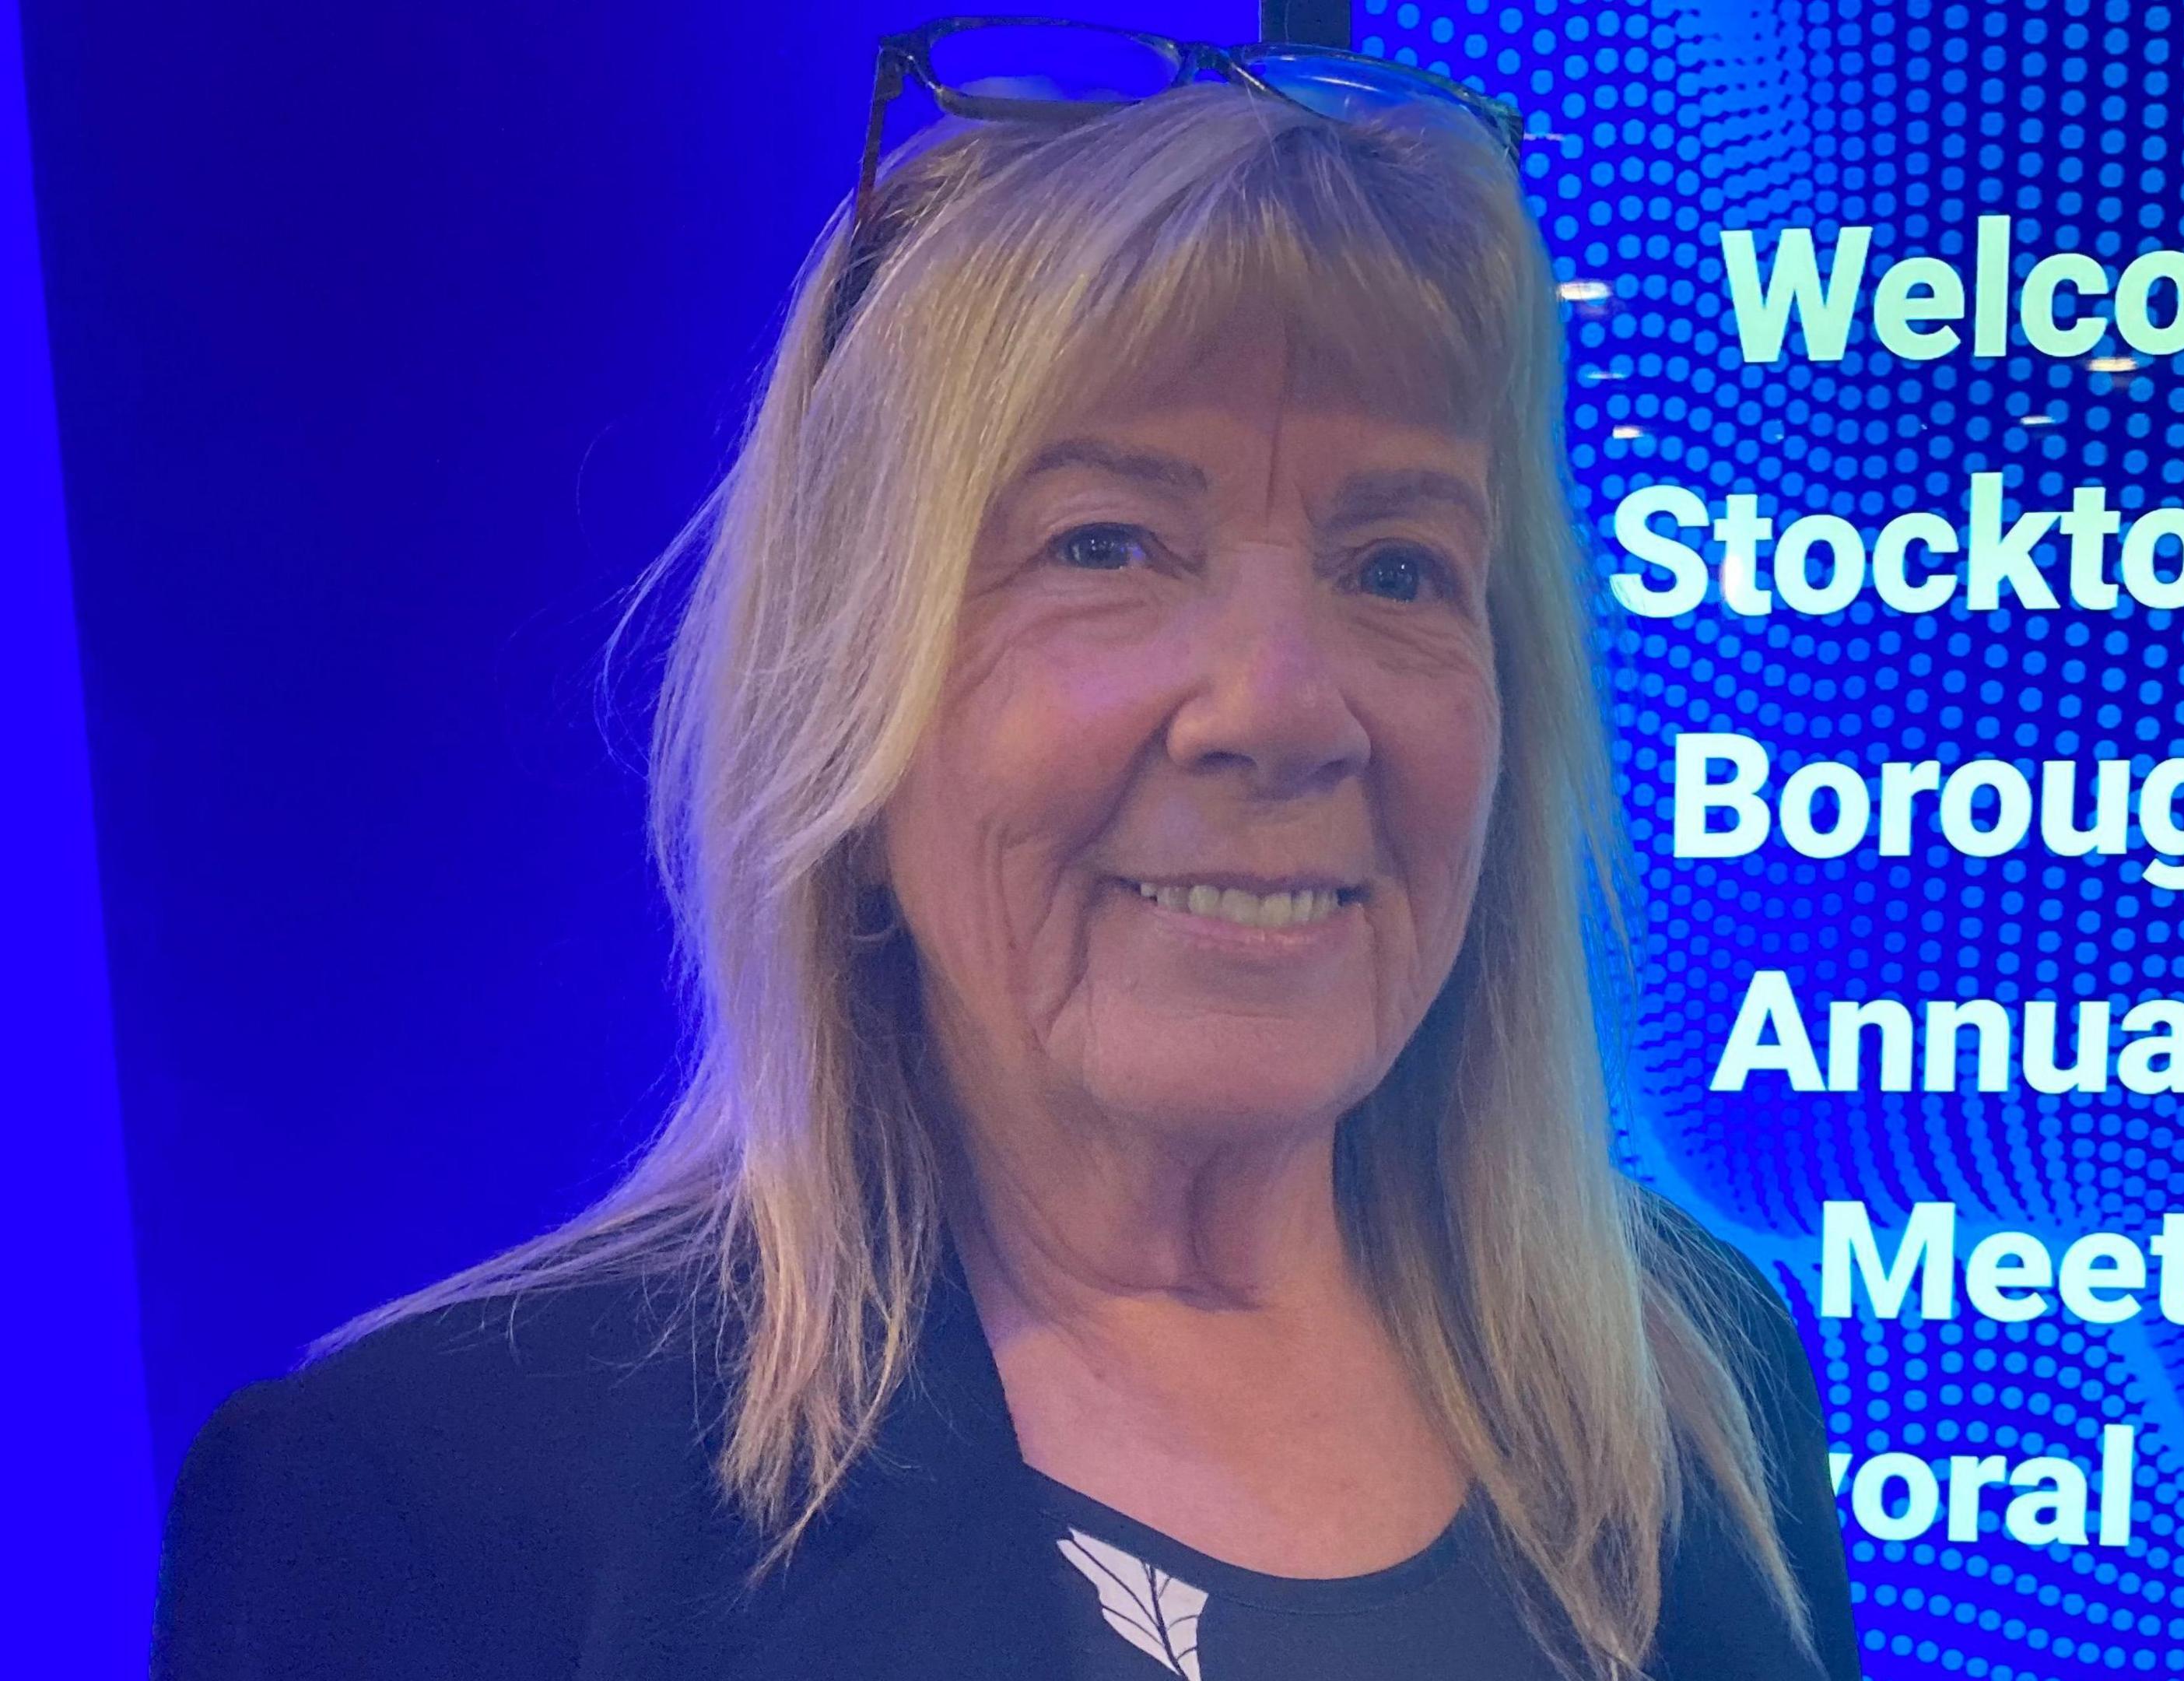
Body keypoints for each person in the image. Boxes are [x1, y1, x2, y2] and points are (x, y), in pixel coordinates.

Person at [153, 25, 1858, 1681]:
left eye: (1397, 568)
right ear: (848, 706)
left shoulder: (1691, 1378)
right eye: (1108, 543)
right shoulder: (433, 1497)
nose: (1281, 706)